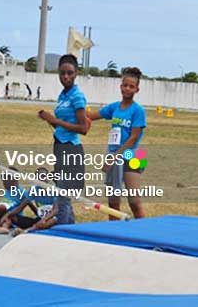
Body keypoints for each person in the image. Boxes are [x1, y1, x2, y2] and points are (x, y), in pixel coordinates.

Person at [89, 67, 146, 220]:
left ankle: (146, 233)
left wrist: (114, 157)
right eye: (125, 85)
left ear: (137, 89)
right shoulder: (114, 107)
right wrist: (75, 111)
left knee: (134, 201)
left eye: (131, 86)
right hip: (113, 154)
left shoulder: (138, 111)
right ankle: (114, 233)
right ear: (120, 86)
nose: (127, 88)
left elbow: (133, 137)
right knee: (113, 202)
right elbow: (91, 116)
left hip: (130, 155)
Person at [37, 54, 88, 224]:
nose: (65, 77)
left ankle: (64, 236)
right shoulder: (63, 95)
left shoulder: (77, 96)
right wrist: (49, 120)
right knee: (62, 198)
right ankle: (70, 231)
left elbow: (83, 128)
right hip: (60, 148)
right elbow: (61, 125)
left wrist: (55, 120)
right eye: (62, 73)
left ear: (76, 74)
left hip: (71, 150)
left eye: (69, 73)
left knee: (63, 199)